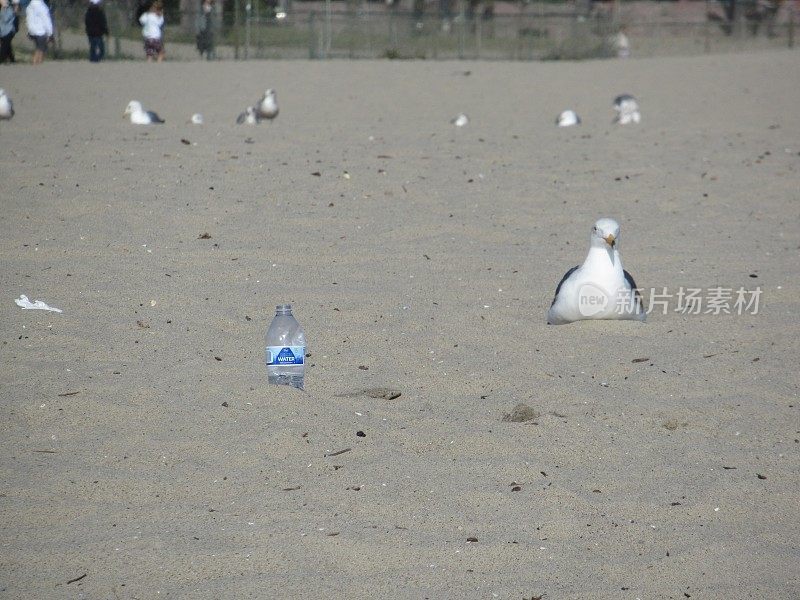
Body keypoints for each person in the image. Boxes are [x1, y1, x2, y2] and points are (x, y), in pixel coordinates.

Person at [25, 0, 52, 64]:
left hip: (32, 31)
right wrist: (50, 33)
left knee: (38, 47)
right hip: (41, 31)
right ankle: (37, 63)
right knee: (41, 49)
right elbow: (46, 20)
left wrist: (29, 30)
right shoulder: (42, 6)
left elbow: (28, 19)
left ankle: (36, 63)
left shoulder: (29, 7)